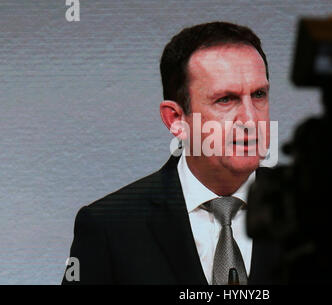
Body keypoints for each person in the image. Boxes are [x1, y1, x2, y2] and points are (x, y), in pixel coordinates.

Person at [62, 21, 282, 285]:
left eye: (259, 95)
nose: (250, 119)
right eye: (225, 99)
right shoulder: (109, 227)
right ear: (176, 119)